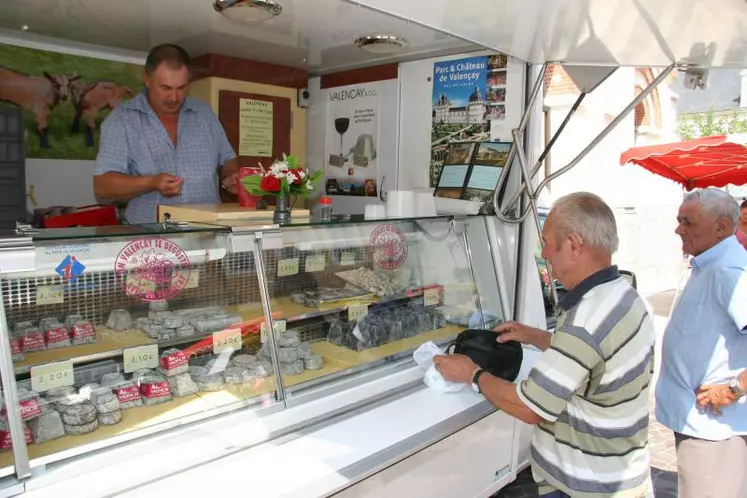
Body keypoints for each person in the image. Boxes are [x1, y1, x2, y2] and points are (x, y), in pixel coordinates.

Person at [434, 192, 656, 498]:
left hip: (585, 487)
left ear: (575, 246)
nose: (544, 253)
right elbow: (596, 360)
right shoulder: (624, 295)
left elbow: (529, 407)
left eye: (548, 243)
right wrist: (538, 337)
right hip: (621, 472)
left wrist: (472, 374)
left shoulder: (586, 321)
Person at [655, 188, 747, 498]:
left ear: (721, 227)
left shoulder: (731, 272)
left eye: (688, 222)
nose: (678, 229)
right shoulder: (709, 264)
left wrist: (735, 388)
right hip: (699, 424)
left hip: (716, 432)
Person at [93, 44, 239, 224]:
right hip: (151, 241)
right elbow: (103, 186)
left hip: (207, 234)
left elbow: (228, 159)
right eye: (165, 88)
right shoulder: (122, 120)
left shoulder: (204, 114)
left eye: (181, 87)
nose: (174, 97)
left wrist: (230, 177)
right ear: (147, 79)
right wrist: (152, 183)